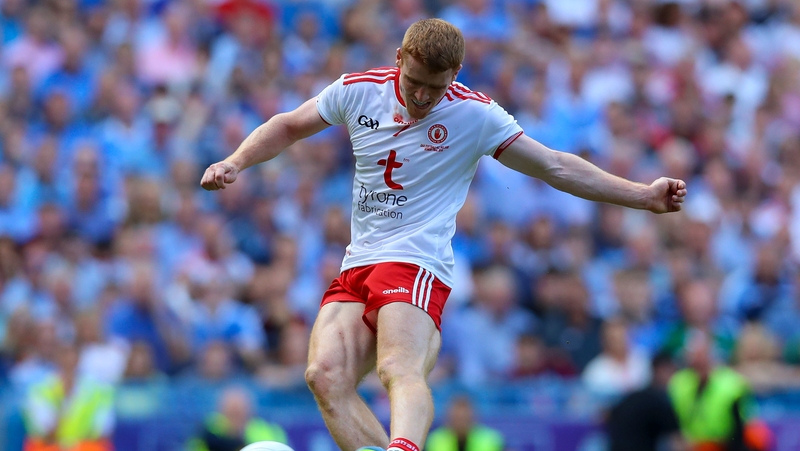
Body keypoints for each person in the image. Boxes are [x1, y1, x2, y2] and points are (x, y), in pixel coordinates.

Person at [200, 18, 687, 451]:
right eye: (413, 81)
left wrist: (643, 195)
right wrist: (235, 161)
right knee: (324, 376)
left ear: (455, 74)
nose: (421, 96)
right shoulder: (357, 91)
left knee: (398, 367)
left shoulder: (475, 115)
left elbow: (556, 166)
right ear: (398, 59)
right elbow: (288, 126)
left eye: (434, 87)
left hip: (415, 261)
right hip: (359, 259)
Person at [605, 352, 685, 451]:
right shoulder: (660, 402)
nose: (676, 377)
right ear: (660, 371)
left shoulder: (632, 397)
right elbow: (677, 441)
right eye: (673, 371)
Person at [188, 387, 288, 451]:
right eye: (231, 412)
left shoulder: (266, 430)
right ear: (221, 411)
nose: (236, 416)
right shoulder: (209, 427)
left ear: (249, 410)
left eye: (240, 411)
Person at [425, 395, 504, 451]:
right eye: (457, 418)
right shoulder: (436, 440)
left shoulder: (491, 439)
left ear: (473, 417)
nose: (461, 423)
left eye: (464, 418)